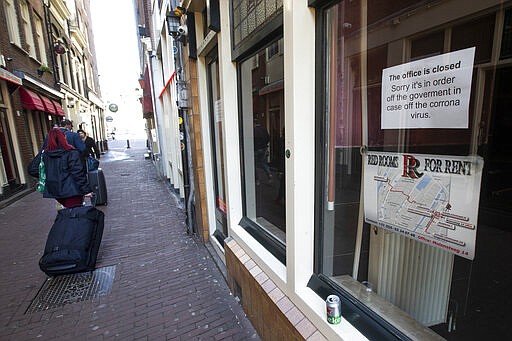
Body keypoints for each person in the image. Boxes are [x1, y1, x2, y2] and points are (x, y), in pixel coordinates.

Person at [41, 128, 93, 208]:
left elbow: (33, 169)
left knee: (67, 214)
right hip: (72, 190)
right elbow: (77, 173)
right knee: (74, 214)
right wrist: (86, 190)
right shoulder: (71, 153)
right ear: (63, 138)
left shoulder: (45, 155)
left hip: (55, 190)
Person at [253, 119, 272, 185]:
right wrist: (265, 145)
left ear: (254, 123)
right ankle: (269, 173)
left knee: (254, 165)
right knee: (263, 163)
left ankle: (257, 180)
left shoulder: (254, 130)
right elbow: (268, 138)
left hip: (256, 149)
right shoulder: (264, 129)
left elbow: (253, 140)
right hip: (264, 149)